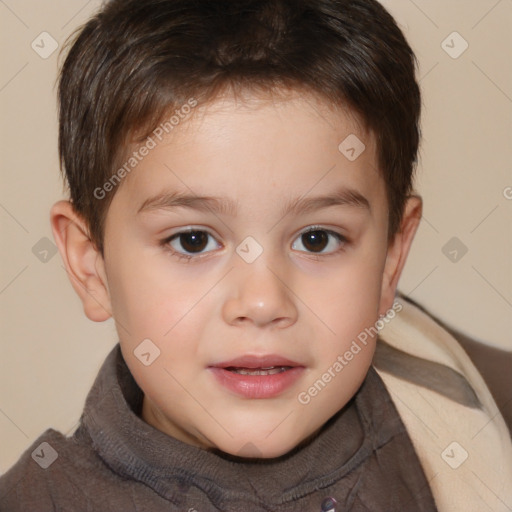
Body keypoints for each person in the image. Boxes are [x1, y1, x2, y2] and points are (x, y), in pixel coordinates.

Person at [1, 0, 511, 510]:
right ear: (92, 266)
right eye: (193, 241)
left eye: (317, 239)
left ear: (390, 260)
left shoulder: (465, 402)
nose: (263, 302)